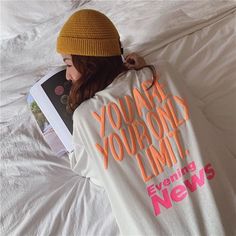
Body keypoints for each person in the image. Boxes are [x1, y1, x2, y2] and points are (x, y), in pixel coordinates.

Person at [56, 9, 236, 236]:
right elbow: (196, 107)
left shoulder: (84, 117)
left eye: (69, 64)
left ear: (88, 63)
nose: (67, 75)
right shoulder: (164, 73)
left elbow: (91, 171)